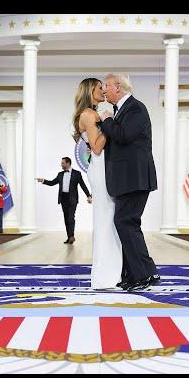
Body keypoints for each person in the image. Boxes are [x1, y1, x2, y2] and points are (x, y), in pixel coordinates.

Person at [97, 73, 159, 291]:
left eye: (107, 85)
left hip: (135, 178)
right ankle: (135, 275)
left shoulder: (135, 108)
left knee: (126, 222)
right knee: (127, 223)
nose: (104, 89)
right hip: (127, 179)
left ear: (119, 88)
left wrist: (106, 121)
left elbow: (123, 135)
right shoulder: (122, 110)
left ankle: (146, 274)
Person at [73, 78, 121, 289]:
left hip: (102, 169)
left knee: (108, 220)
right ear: (89, 90)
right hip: (100, 169)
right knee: (105, 220)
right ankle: (105, 276)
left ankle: (111, 273)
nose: (103, 90)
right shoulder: (90, 115)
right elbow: (96, 147)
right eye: (99, 87)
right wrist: (110, 123)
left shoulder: (89, 114)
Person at [37, 157, 92, 244]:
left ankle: (72, 236)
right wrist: (43, 181)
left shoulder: (77, 174)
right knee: (66, 218)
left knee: (71, 217)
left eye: (63, 163)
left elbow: (82, 185)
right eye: (61, 163)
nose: (61, 165)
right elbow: (52, 183)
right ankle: (69, 237)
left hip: (72, 198)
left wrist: (88, 195)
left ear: (68, 163)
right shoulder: (60, 174)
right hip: (63, 198)